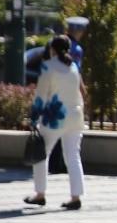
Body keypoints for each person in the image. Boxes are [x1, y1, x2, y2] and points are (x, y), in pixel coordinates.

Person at [23, 35, 86, 211]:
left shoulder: (48, 67)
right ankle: (76, 197)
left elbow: (41, 96)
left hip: (55, 117)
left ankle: (40, 194)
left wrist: (33, 117)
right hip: (75, 116)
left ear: (52, 49)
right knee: (73, 155)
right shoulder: (73, 66)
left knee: (42, 154)